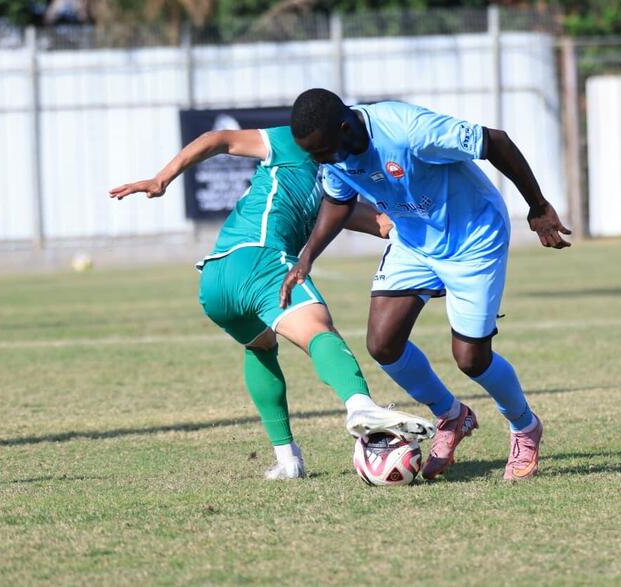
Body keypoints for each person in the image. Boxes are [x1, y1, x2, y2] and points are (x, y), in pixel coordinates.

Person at [110, 124, 434, 480]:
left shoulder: (335, 186)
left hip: (217, 279)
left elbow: (378, 222)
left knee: (260, 346)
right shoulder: (291, 142)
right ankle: (360, 406)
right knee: (318, 332)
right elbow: (219, 139)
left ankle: (287, 460)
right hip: (260, 259)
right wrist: (162, 178)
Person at [280, 89, 571, 481]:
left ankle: (524, 426)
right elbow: (338, 199)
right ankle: (452, 416)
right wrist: (308, 255)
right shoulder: (334, 151)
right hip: (414, 241)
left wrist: (537, 206)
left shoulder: (410, 131)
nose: (321, 161)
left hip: (473, 238)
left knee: (471, 359)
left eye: (323, 152)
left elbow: (495, 141)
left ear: (345, 127)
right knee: (382, 343)